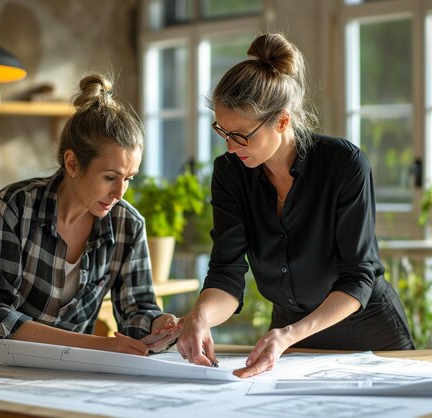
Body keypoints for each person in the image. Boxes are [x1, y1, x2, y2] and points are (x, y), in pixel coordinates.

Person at [176, 33, 414, 377]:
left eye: (241, 136)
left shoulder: (343, 164)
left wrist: (291, 335)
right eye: (223, 132)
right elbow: (227, 273)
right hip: (290, 337)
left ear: (283, 121)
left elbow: (358, 276)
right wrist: (199, 316)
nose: (230, 147)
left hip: (369, 331)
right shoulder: (230, 173)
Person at [0, 73, 177, 356]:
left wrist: (162, 324)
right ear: (72, 163)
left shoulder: (127, 226)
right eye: (110, 177)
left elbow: (136, 310)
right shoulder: (14, 208)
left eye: (130, 178)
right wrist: (101, 346)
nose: (120, 192)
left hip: (55, 370)